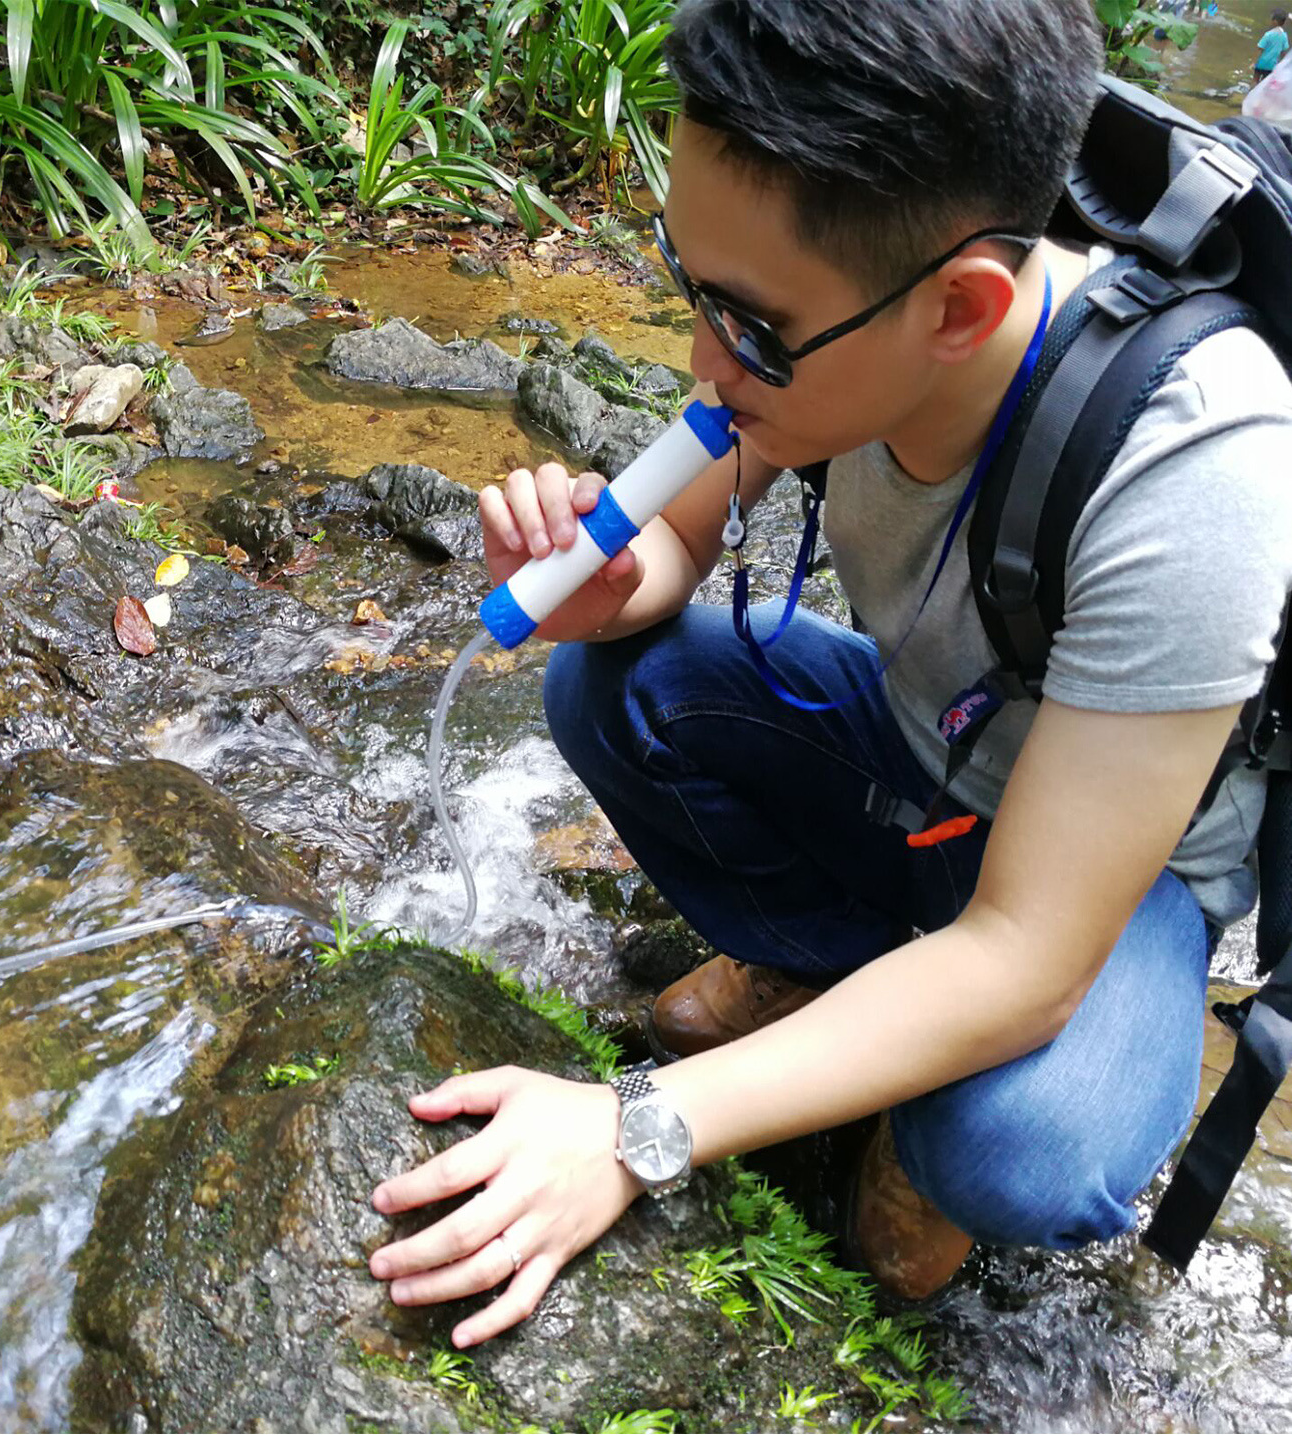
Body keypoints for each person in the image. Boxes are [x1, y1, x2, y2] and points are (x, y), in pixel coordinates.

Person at [366, 0, 1292, 1347]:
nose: (700, 362)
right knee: (617, 680)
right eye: (688, 287)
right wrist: (610, 586)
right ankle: (820, 967)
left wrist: (634, 1130)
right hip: (922, 757)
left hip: (1105, 874)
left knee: (1025, 1146)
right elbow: (676, 542)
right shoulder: (820, 323)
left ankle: (912, 1126)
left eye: (742, 325)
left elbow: (1028, 952)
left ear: (958, 310)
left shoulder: (1191, 467)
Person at [1256, 9, 1289, 80]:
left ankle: (1252, 91)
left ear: (1275, 21)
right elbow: (1283, 52)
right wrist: (1281, 65)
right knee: (1264, 82)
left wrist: (1254, 62)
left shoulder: (1268, 35)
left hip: (1261, 63)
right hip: (1272, 65)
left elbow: (1260, 49)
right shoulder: (1284, 36)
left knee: (1255, 79)